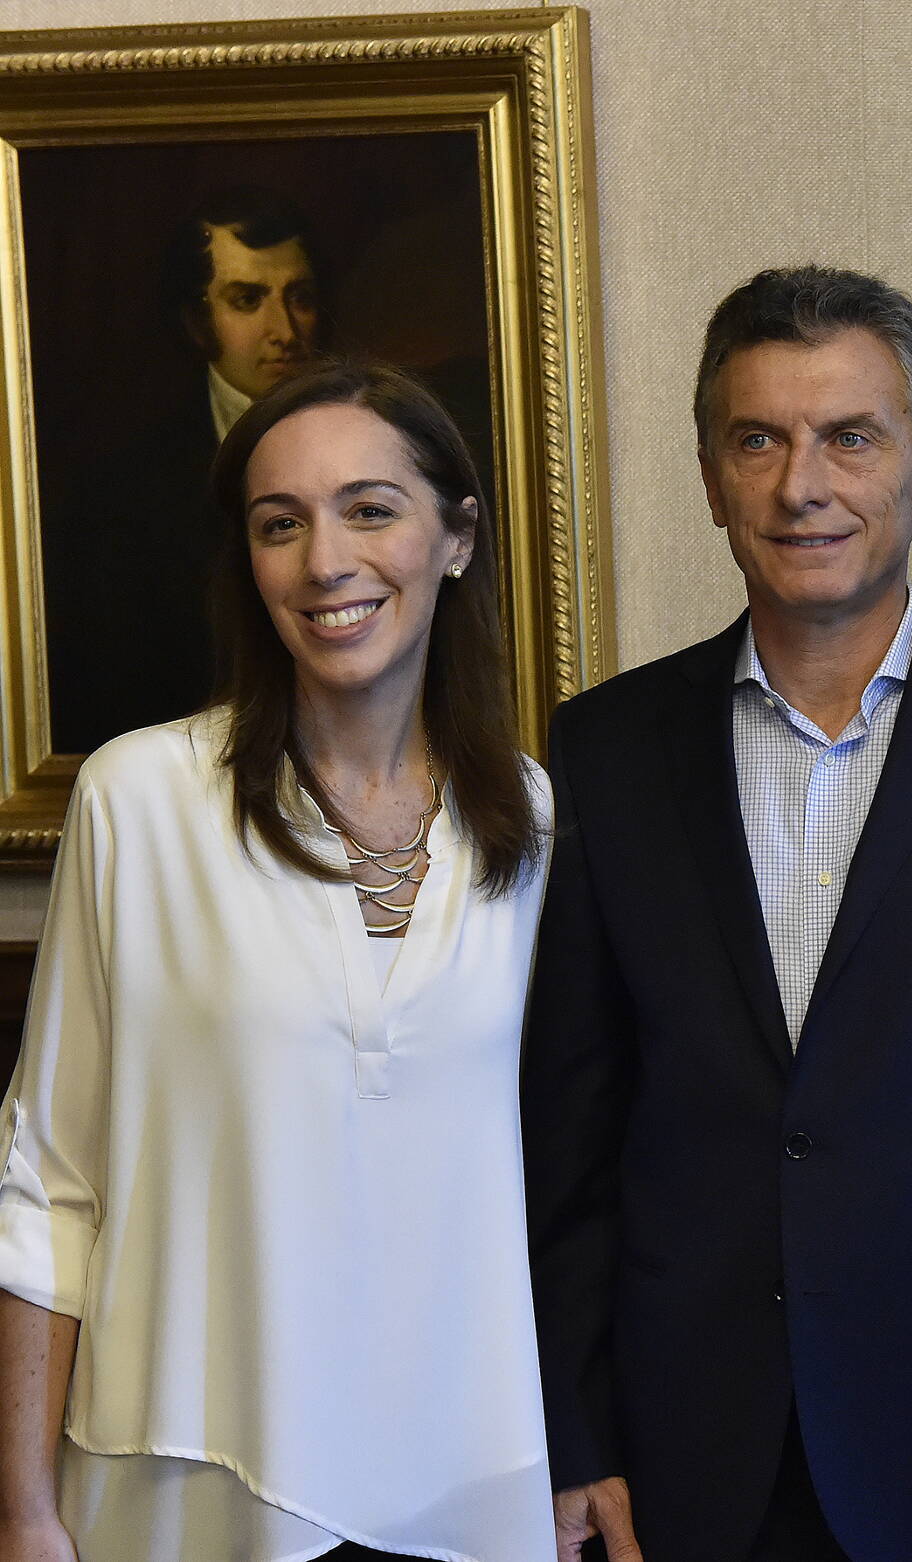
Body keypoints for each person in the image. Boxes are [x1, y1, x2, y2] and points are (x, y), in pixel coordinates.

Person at [522, 266, 912, 1562]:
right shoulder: (603, 750)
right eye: (757, 439)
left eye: (850, 439)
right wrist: (572, 1433)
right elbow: (569, 1136)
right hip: (685, 1459)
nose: (799, 484)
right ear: (711, 478)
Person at [0, 361, 554, 1560]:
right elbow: (48, 1178)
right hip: (187, 1474)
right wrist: (25, 1507)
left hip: (468, 1476)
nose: (324, 562)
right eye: (279, 524)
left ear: (455, 536)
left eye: (370, 508)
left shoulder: (534, 822)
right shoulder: (137, 800)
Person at [45, 185, 324, 754]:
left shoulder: (378, 454)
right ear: (198, 321)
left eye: (299, 296)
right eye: (248, 300)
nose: (285, 331)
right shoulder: (120, 497)